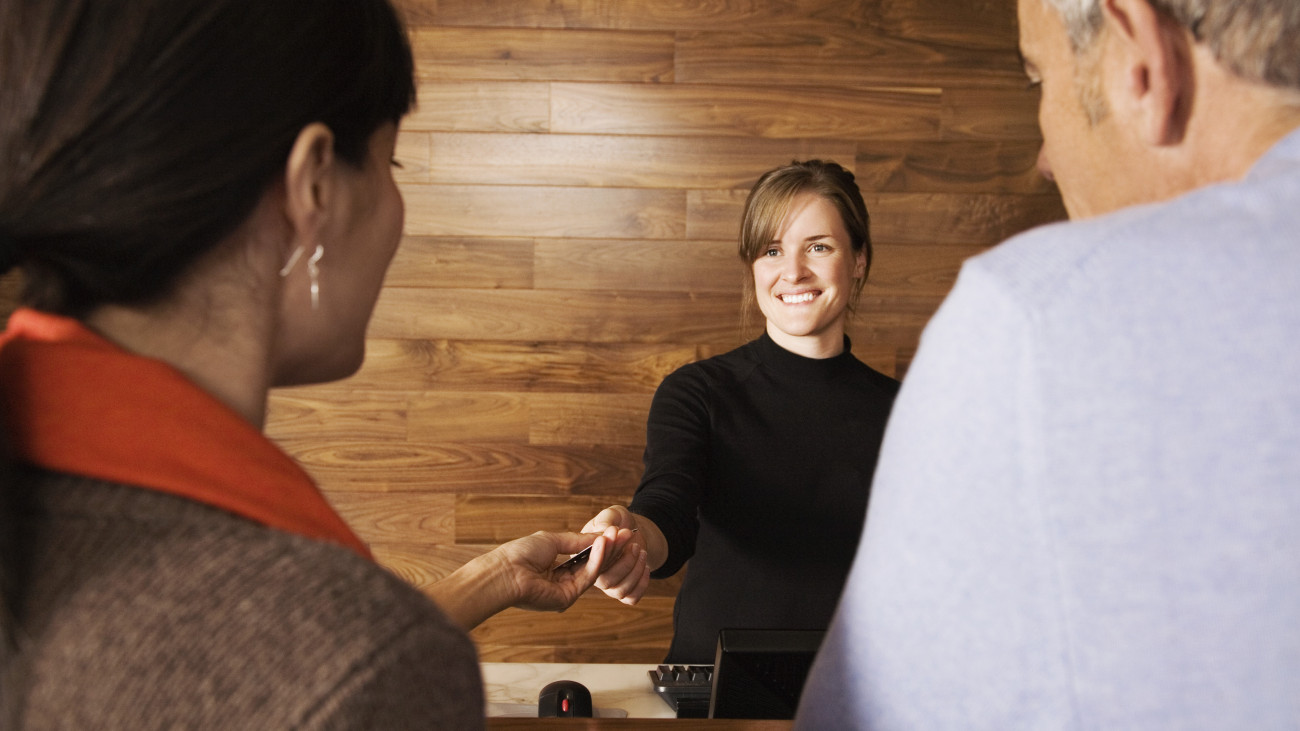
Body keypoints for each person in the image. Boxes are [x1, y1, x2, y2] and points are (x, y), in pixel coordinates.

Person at [0, 1, 630, 728]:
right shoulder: (355, 657)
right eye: (390, 163)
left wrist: (488, 579)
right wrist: (394, 646)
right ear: (315, 187)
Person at [795, 0, 1300, 727]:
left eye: (1039, 80)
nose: (1044, 157)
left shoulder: (1034, 321)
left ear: (1141, 59)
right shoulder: (701, 393)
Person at [584, 160, 901, 663]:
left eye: (818, 247)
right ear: (754, 265)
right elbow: (669, 508)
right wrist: (629, 536)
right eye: (772, 250)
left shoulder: (910, 411)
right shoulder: (697, 392)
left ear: (859, 260)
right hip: (714, 694)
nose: (793, 271)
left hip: (860, 689)